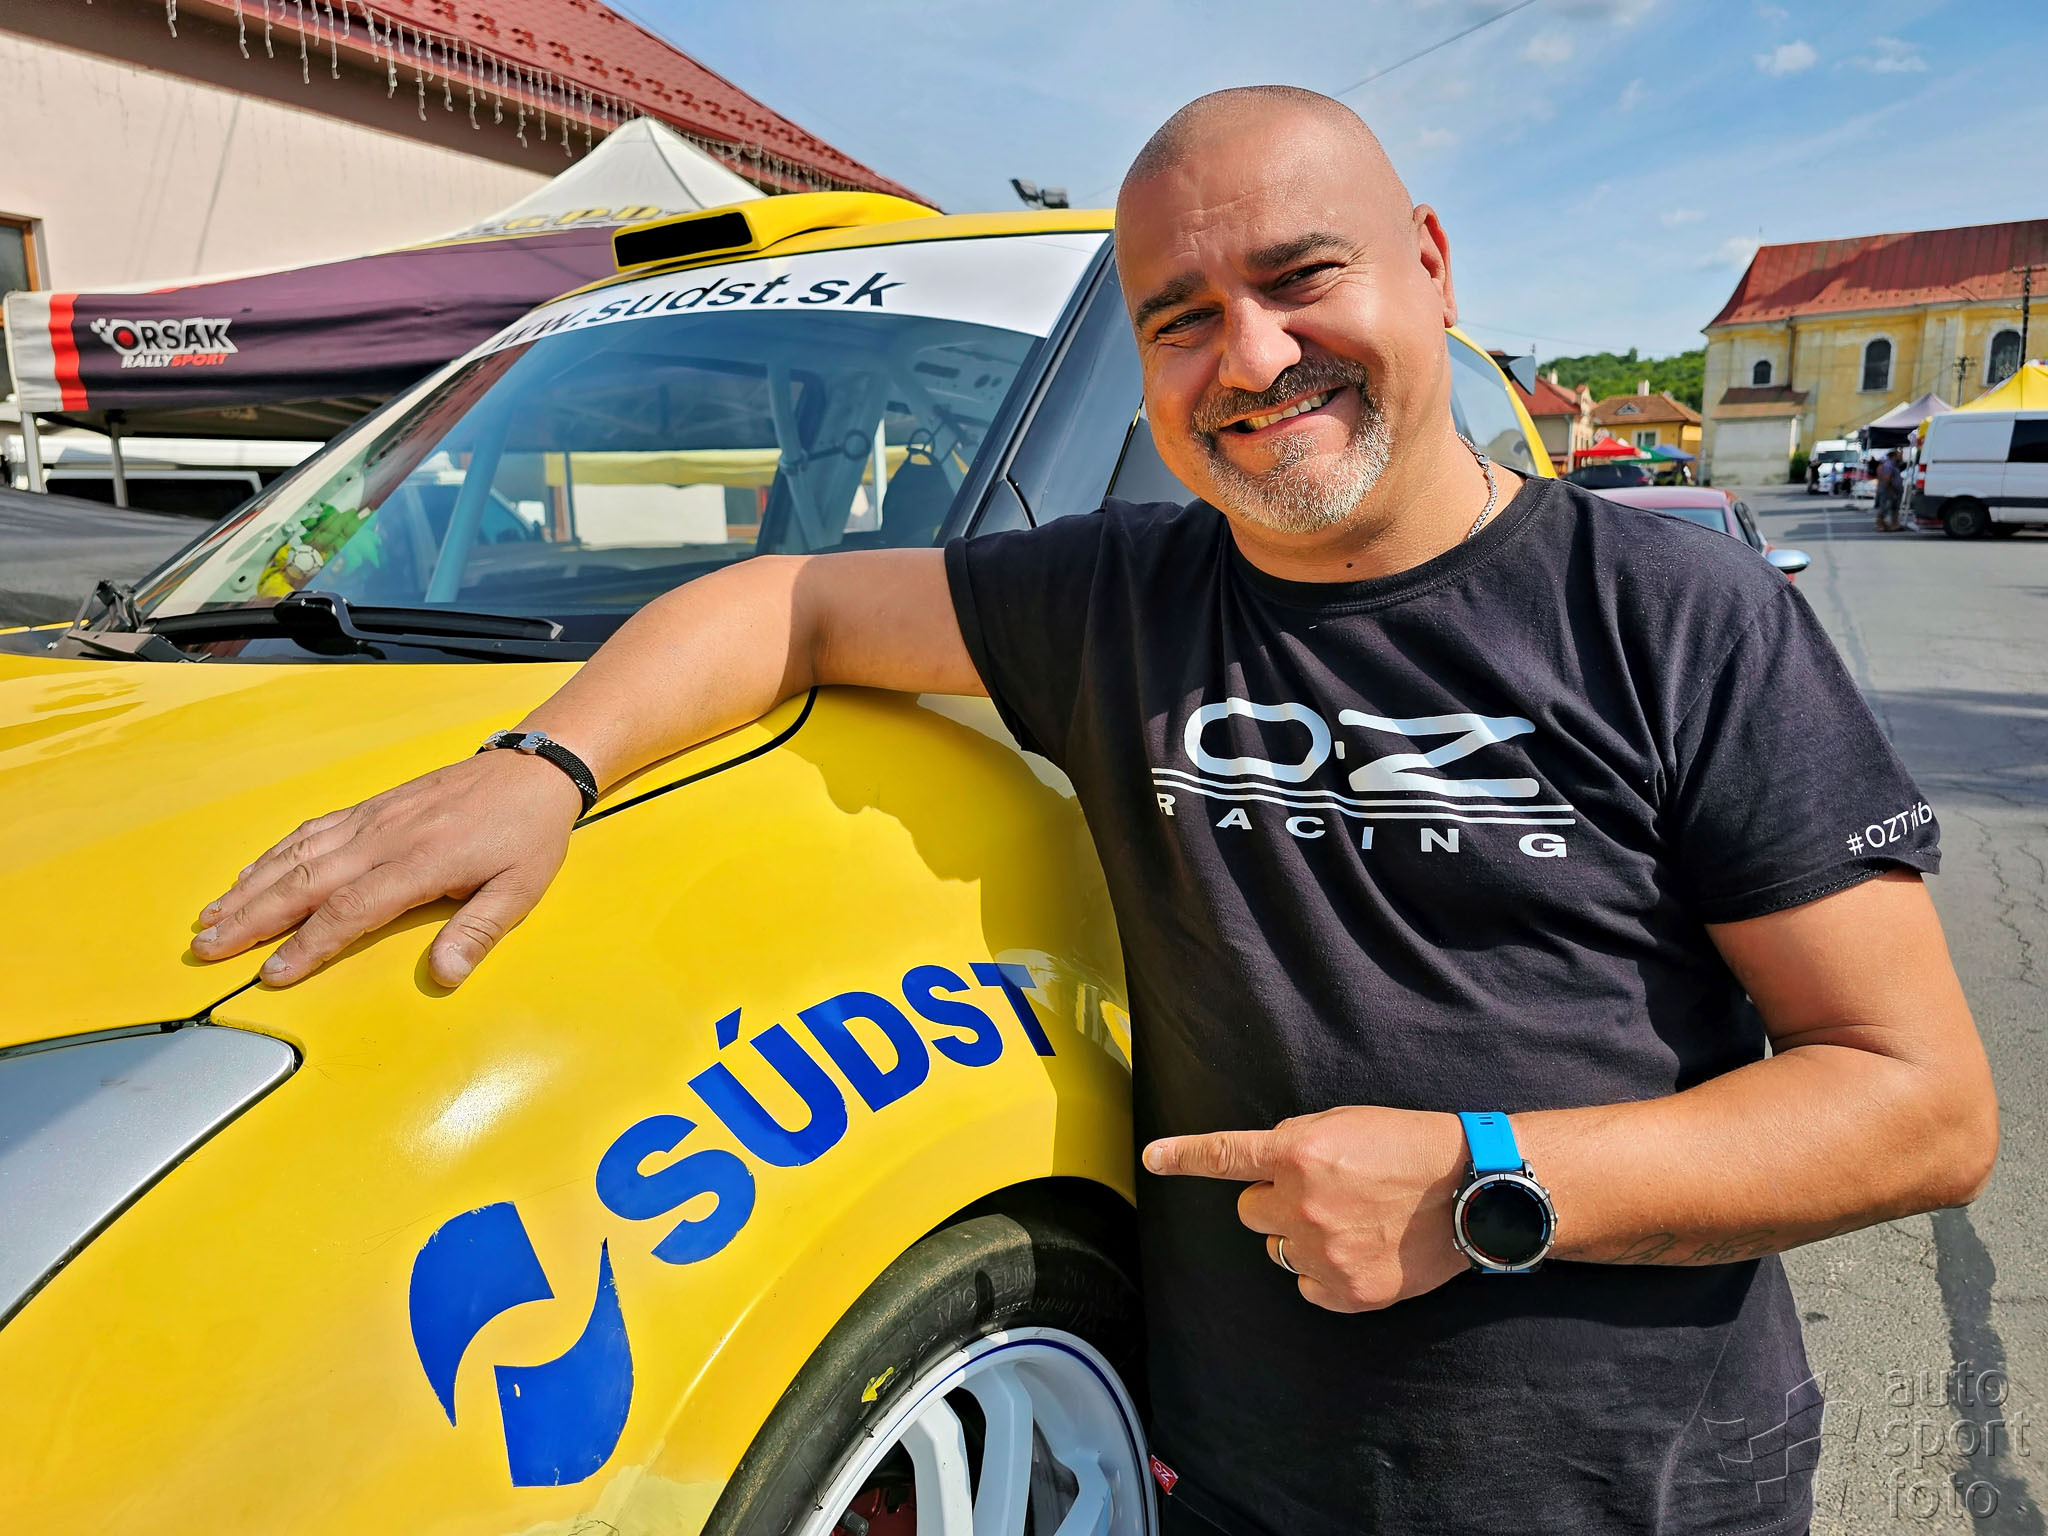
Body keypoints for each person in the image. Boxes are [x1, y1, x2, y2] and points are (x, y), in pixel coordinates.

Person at [190, 88, 1997, 1536]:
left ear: (1433, 267)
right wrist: (541, 767)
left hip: (1631, 1490)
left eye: (1302, 279)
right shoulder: (1116, 598)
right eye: (1181, 320)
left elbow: (1917, 1105)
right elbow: (787, 600)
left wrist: (1487, 1181)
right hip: (1229, 1480)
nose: (1252, 358)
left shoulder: (1676, 615)